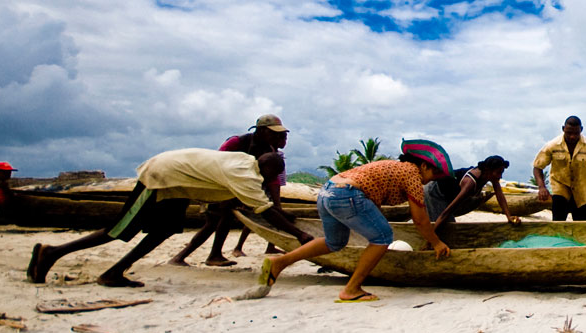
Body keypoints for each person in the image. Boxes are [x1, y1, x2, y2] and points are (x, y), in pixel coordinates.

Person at [26, 150, 312, 287]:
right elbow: (265, 210)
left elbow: (257, 205)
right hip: (160, 178)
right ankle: (52, 252)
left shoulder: (244, 161)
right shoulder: (246, 174)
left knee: (162, 232)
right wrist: (300, 236)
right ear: (269, 173)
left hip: (175, 186)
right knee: (119, 230)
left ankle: (114, 272)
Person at [258, 138, 453, 303]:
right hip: (346, 194)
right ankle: (351, 289)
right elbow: (420, 219)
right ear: (424, 166)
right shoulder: (412, 173)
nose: (433, 179)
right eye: (434, 173)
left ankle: (279, 263)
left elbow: (373, 199)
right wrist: (436, 242)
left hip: (327, 191)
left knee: (334, 242)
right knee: (383, 237)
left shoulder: (395, 168)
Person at [167, 114, 290, 267]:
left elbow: (273, 180)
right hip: (218, 187)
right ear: (261, 130)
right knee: (214, 221)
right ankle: (186, 257)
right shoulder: (237, 142)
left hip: (238, 191)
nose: (276, 136)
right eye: (273, 132)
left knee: (222, 220)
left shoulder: (269, 150)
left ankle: (210, 255)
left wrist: (277, 206)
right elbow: (217, 164)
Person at [532, 116, 586, 221]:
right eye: (569, 133)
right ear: (563, 129)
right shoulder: (552, 145)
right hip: (560, 188)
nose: (572, 136)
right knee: (558, 223)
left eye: (576, 133)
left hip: (583, 191)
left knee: (583, 227)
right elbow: (537, 167)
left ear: (581, 130)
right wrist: (542, 187)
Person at [426, 155, 520, 230]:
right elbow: (446, 213)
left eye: (502, 172)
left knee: (450, 228)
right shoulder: (470, 183)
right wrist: (431, 240)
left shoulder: (491, 175)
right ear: (488, 170)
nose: (500, 176)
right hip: (434, 192)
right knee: (447, 227)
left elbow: (500, 195)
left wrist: (509, 216)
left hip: (448, 194)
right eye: (499, 172)